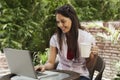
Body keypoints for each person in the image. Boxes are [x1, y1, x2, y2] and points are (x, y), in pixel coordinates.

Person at [35, 4, 98, 80]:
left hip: (80, 75)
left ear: (72, 19)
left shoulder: (86, 38)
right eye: (58, 22)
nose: (60, 25)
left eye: (63, 21)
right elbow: (51, 63)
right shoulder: (55, 39)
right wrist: (43, 66)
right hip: (61, 74)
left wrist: (93, 57)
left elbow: (89, 66)